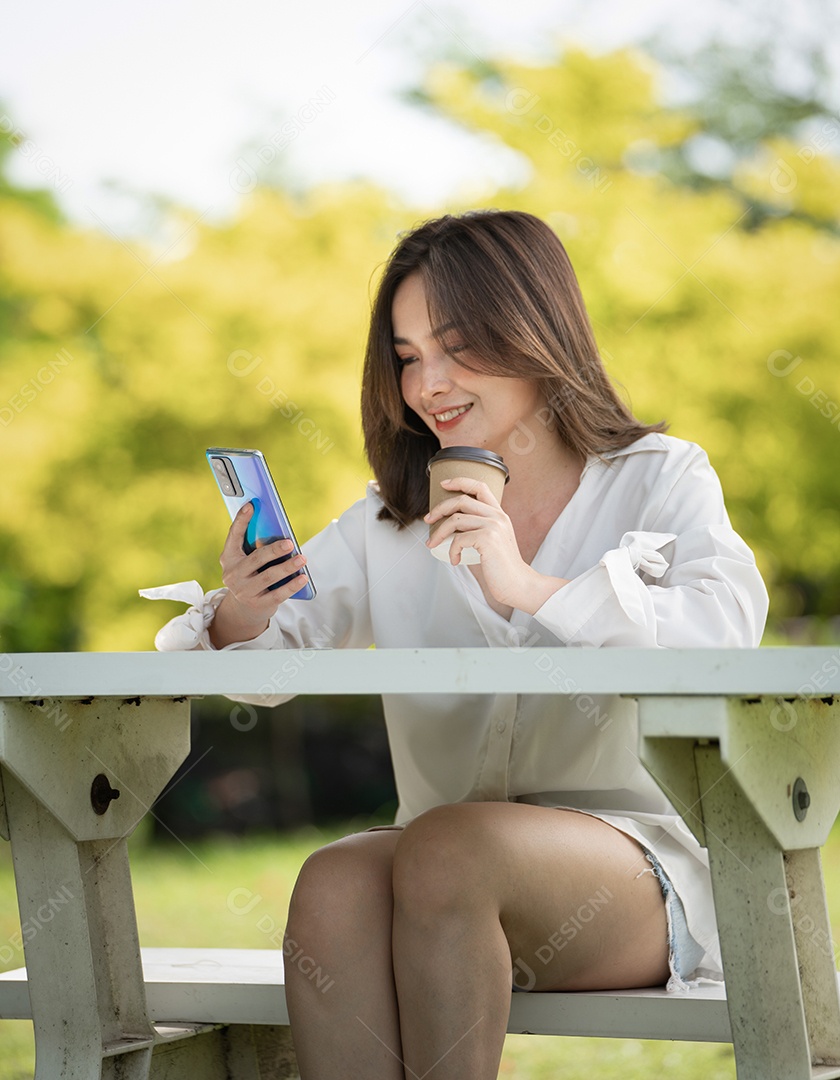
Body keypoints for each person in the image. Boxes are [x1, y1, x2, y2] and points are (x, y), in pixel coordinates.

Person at [141, 209, 769, 1080]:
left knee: (447, 845)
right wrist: (243, 609)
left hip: (634, 873)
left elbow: (727, 636)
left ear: (535, 330)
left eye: (455, 345)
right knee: (333, 878)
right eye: (405, 357)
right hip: (440, 883)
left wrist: (529, 587)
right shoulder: (389, 518)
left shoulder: (661, 478)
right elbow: (272, 668)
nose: (427, 383)